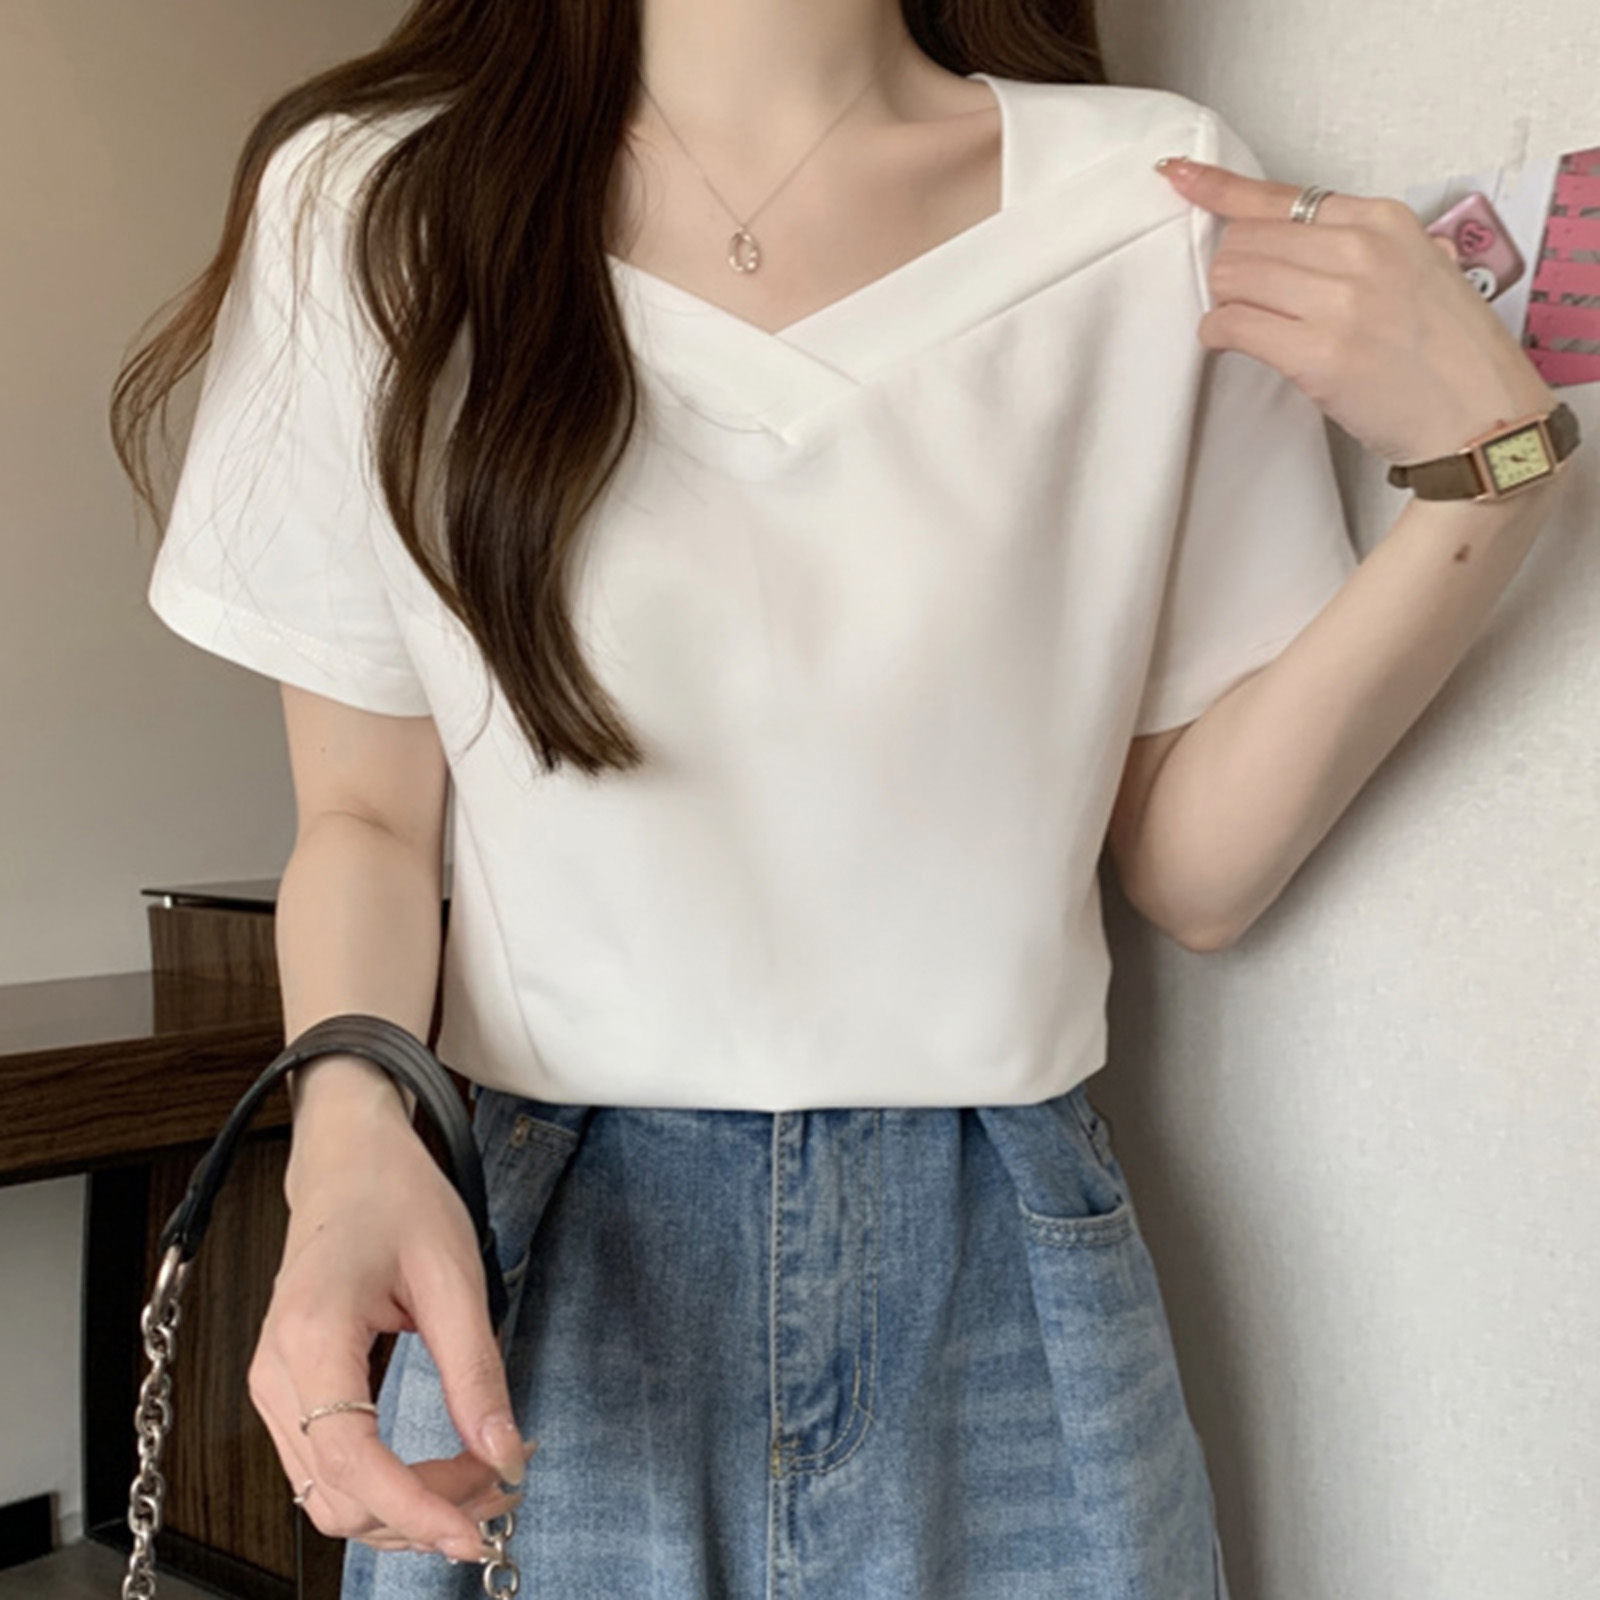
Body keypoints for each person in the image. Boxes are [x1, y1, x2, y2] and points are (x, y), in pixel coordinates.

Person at [112, 1, 1576, 1596]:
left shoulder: (1147, 205)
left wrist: (1493, 463)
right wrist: (343, 1143)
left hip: (1005, 1274)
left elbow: (1195, 865)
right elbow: (367, 823)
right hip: (553, 1266)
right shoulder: (374, 207)